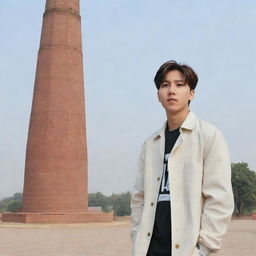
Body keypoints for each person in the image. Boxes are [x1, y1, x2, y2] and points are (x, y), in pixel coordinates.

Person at [130, 60, 234, 256]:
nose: (171, 90)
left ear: (191, 93)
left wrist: (203, 249)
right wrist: (137, 234)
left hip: (187, 249)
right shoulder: (150, 144)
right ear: (158, 95)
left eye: (179, 85)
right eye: (165, 85)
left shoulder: (209, 136)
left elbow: (220, 199)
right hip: (149, 248)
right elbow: (139, 197)